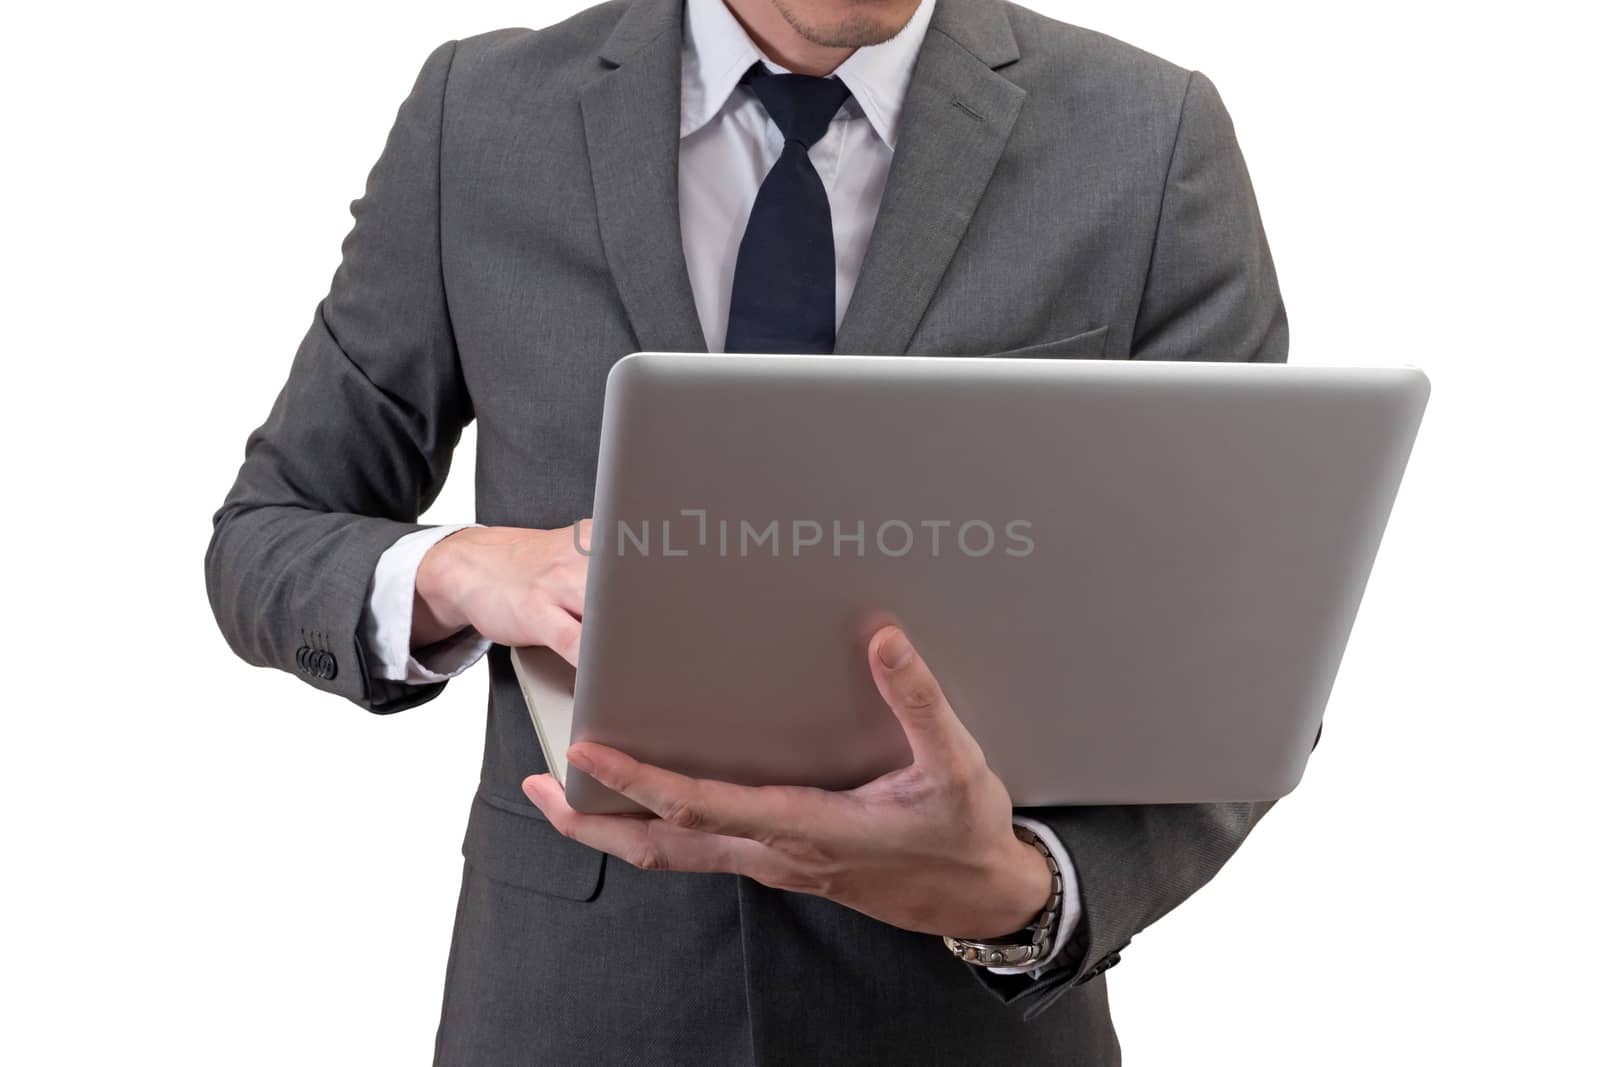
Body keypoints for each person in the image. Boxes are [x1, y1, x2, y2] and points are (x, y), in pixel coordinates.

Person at [206, 0, 1290, 1061]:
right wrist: (456, 569)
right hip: (572, 1006)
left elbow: (1247, 647)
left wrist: (1028, 888)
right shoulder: (480, 117)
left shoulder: (1146, 137)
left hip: (961, 1024)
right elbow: (269, 532)